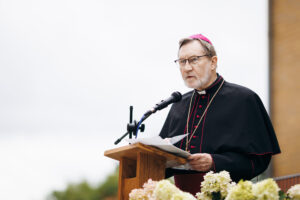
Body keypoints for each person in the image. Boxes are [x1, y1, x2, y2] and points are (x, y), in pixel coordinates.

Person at [159, 34, 281, 195]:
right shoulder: (178, 104)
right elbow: (160, 167)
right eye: (182, 61)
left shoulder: (244, 99)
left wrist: (215, 162)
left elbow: (259, 161)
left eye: (194, 59)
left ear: (213, 62)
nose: (187, 67)